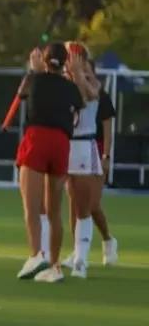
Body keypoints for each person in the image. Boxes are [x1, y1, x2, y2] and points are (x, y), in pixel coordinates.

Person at [15, 42, 83, 283]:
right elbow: (81, 100)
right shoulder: (70, 86)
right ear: (65, 63)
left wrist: (33, 71)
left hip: (37, 138)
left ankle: (35, 255)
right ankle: (54, 266)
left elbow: (21, 94)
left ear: (43, 61)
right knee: (54, 210)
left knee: (31, 206)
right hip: (61, 143)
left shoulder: (35, 79)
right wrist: (75, 74)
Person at [62, 42, 115, 277]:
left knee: (86, 205)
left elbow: (90, 94)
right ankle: (74, 252)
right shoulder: (63, 80)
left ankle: (81, 260)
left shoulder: (91, 81)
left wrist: (78, 74)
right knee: (72, 202)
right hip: (65, 145)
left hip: (84, 146)